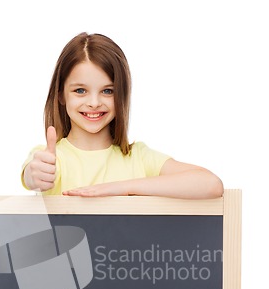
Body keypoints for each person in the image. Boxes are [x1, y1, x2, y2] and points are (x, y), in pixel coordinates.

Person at [21, 33, 223, 199]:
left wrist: (119, 188)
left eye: (108, 91)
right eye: (80, 91)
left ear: (122, 96)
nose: (94, 102)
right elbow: (33, 175)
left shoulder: (139, 158)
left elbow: (211, 184)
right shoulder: (51, 159)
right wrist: (34, 175)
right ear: (61, 96)